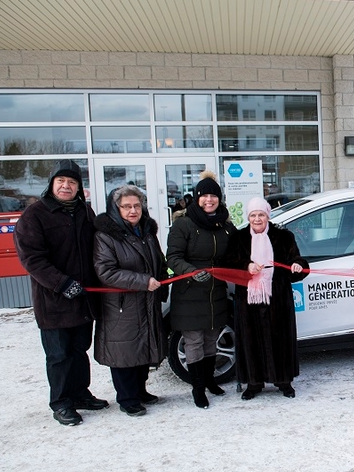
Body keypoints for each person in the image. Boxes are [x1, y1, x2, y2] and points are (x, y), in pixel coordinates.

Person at [14, 160, 109, 426]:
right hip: (53, 301)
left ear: (79, 187)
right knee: (58, 355)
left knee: (80, 350)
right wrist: (61, 283)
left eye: (72, 182)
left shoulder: (85, 212)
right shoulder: (35, 215)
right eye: (61, 181)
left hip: (83, 299)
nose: (66, 186)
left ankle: (80, 394)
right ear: (52, 184)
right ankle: (61, 402)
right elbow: (32, 259)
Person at [93, 185, 169, 417]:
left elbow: (158, 260)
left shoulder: (146, 231)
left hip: (147, 300)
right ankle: (127, 398)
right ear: (116, 209)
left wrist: (163, 279)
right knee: (124, 352)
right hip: (122, 305)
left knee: (143, 347)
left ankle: (140, 391)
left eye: (137, 206)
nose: (133, 210)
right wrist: (143, 281)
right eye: (126, 207)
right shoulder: (105, 235)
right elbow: (106, 271)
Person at [166, 171, 234, 409]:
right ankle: (197, 388)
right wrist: (192, 271)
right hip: (189, 291)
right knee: (193, 341)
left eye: (213, 196)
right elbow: (172, 257)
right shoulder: (183, 224)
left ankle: (209, 380)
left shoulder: (225, 225)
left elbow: (237, 252)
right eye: (204, 195)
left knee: (211, 340)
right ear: (196, 198)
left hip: (216, 291)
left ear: (219, 198)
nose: (209, 200)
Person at [229, 197, 309, 400]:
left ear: (268, 215)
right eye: (253, 215)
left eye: (261, 214)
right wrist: (246, 266)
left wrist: (298, 266)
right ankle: (253, 383)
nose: (257, 219)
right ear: (248, 217)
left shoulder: (283, 237)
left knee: (280, 338)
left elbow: (296, 260)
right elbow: (228, 263)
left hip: (278, 297)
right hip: (248, 299)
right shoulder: (238, 238)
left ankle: (284, 381)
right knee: (250, 340)